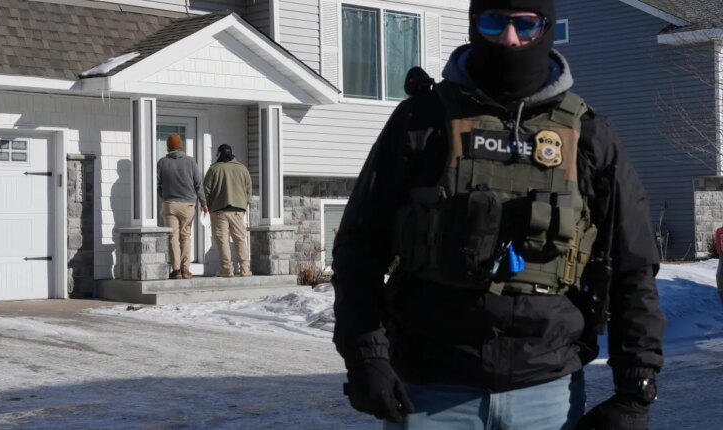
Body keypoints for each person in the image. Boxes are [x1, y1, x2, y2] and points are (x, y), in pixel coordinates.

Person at [332, 1, 665, 429]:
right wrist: (366, 357)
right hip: (430, 387)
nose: (510, 39)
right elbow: (359, 246)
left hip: (547, 390)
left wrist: (637, 385)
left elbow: (632, 265)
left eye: (525, 25)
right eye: (494, 22)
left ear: (545, 28)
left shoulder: (589, 135)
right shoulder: (423, 120)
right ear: (474, 26)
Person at [157, 133, 207, 280]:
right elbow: (198, 184)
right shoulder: (191, 162)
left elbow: (157, 184)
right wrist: (203, 203)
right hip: (188, 205)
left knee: (173, 237)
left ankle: (176, 270)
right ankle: (186, 270)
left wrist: (164, 196)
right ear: (181, 145)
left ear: (168, 146)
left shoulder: (162, 162)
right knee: (185, 236)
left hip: (170, 204)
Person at [203, 144, 253, 277]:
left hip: (219, 210)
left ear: (219, 154)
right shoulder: (242, 168)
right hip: (238, 210)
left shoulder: (214, 169)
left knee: (222, 240)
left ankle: (226, 269)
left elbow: (205, 190)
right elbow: (249, 190)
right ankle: (245, 269)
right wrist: (244, 205)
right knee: (240, 239)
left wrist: (208, 205)